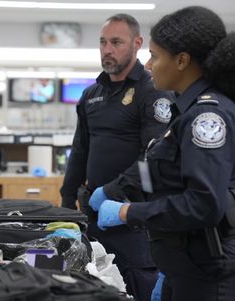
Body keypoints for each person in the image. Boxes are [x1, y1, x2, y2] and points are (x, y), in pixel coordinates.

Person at [92, 6, 235, 301]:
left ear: (182, 61)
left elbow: (203, 204)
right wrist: (115, 188)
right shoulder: (183, 112)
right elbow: (155, 173)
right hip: (181, 265)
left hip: (208, 274)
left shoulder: (207, 118)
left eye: (155, 56)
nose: (147, 65)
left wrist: (127, 211)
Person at [60, 14, 175, 301]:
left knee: (136, 287)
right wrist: (65, 208)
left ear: (137, 44)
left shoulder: (153, 90)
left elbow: (154, 154)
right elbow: (80, 151)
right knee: (95, 289)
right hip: (93, 214)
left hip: (132, 218)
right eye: (102, 42)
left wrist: (112, 192)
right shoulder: (90, 94)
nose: (107, 49)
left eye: (116, 42)